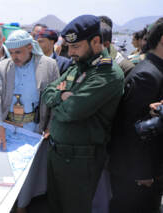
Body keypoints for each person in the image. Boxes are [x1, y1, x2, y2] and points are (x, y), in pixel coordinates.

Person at [41, 15, 124, 213]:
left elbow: (72, 111)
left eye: (76, 46)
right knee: (54, 207)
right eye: (68, 47)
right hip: (57, 155)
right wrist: (63, 95)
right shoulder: (79, 65)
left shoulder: (107, 73)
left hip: (79, 162)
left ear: (96, 42)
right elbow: (47, 93)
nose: (70, 53)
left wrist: (60, 99)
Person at [0, 29, 59, 212]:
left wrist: (50, 127)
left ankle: (22, 207)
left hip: (33, 129)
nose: (14, 57)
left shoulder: (49, 65)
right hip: (7, 127)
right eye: (11, 53)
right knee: (4, 172)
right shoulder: (3, 66)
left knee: (27, 176)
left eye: (18, 52)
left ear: (30, 47)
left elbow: (55, 99)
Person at [108, 17, 163, 213]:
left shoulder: (156, 70)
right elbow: (128, 128)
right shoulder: (147, 75)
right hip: (137, 176)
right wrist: (143, 172)